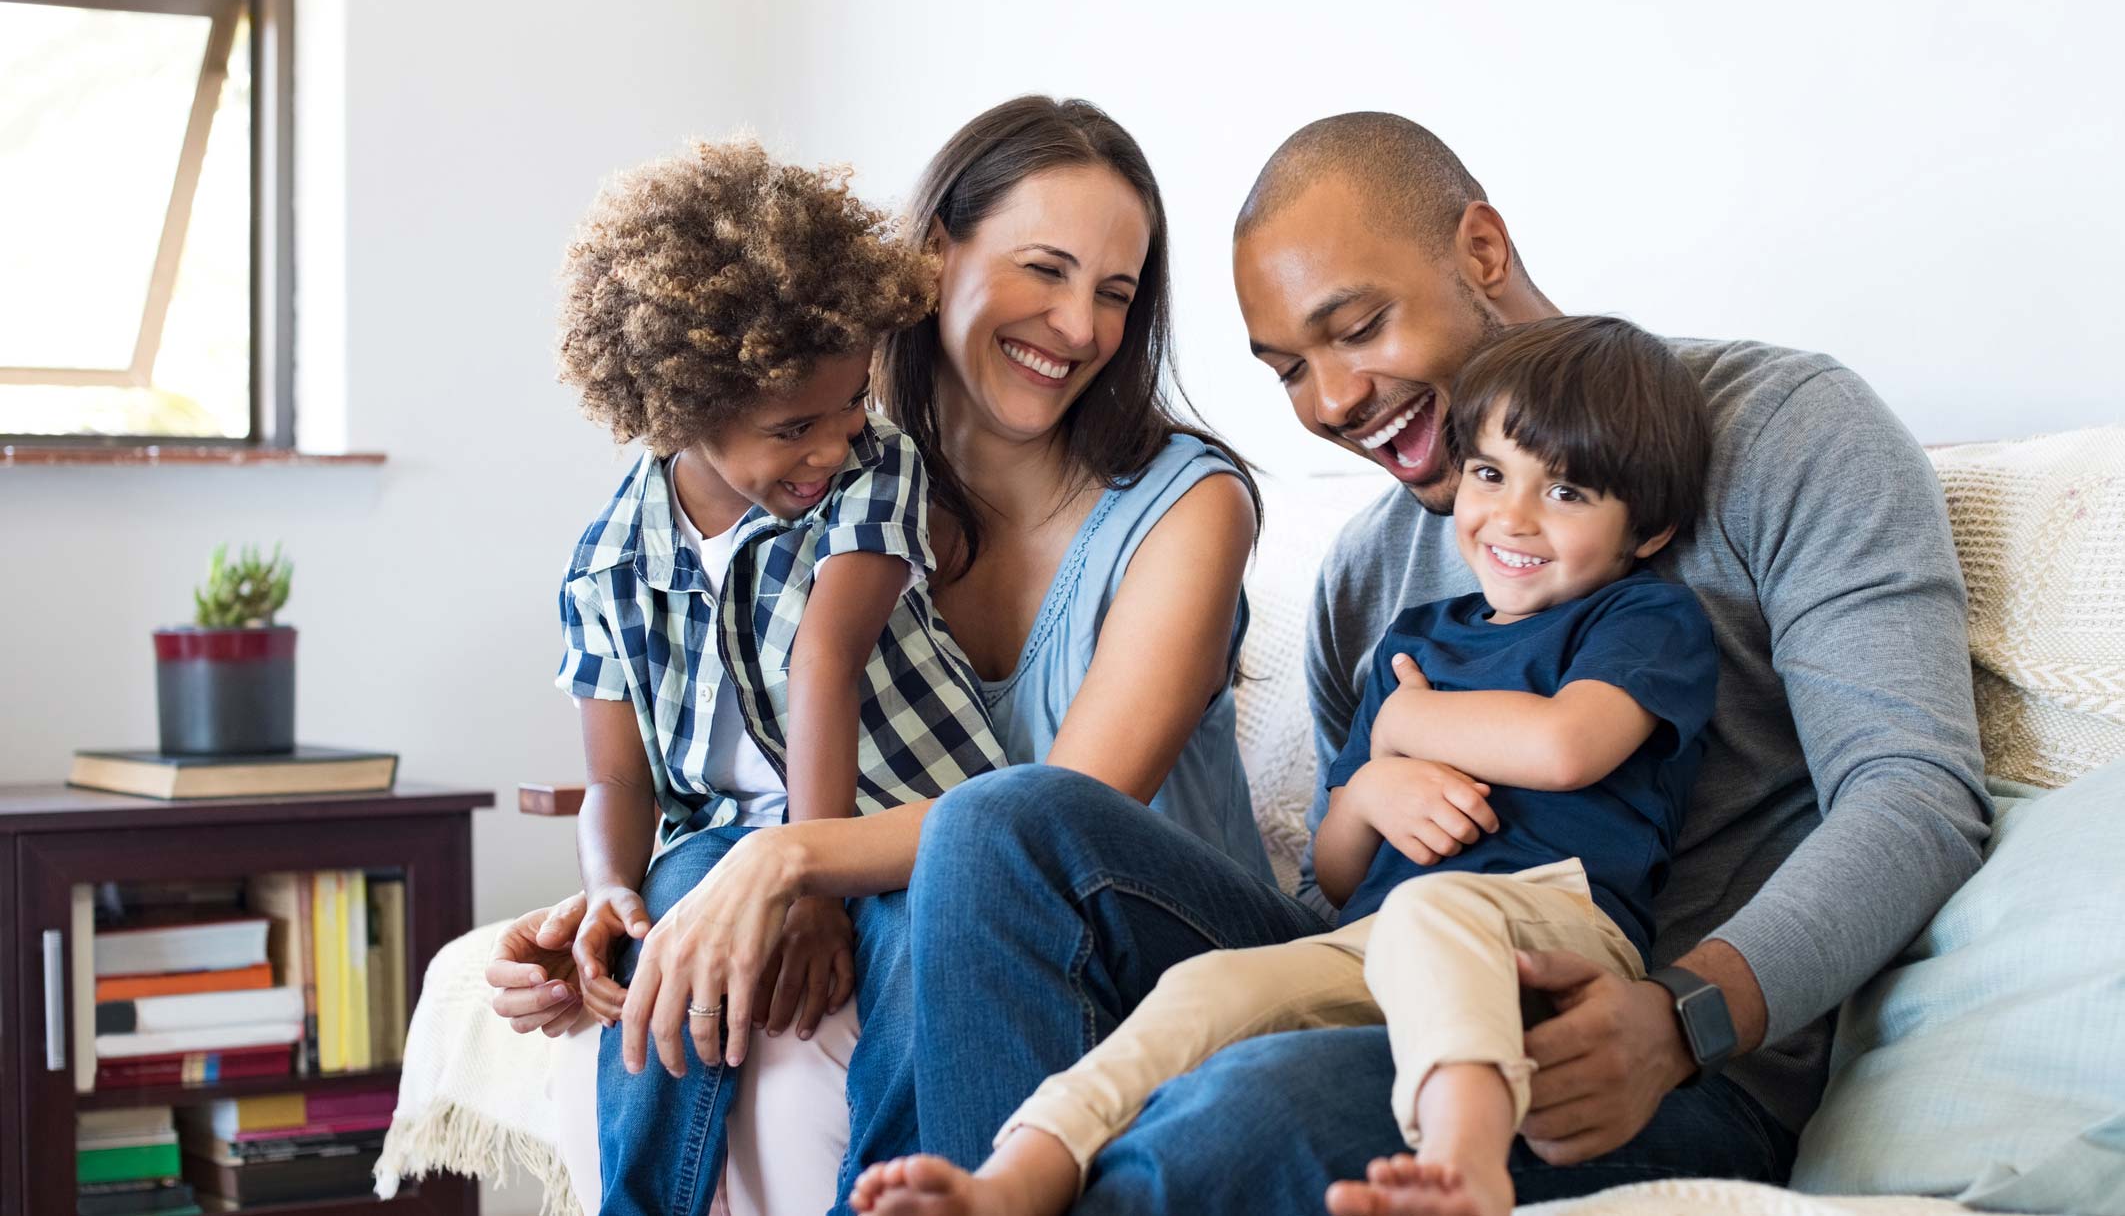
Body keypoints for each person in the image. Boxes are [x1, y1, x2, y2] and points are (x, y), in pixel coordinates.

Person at [897, 111, 1990, 1211]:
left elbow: (1914, 795)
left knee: (1239, 1111)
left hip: (1643, 1055)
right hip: (1392, 974)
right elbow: (1343, 882)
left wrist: (1684, 1015)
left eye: (1358, 327)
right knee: (997, 824)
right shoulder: (1367, 571)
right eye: (1287, 370)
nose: (1330, 403)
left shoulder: (1786, 432)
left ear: (1479, 251)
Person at [485, 96, 1290, 1214]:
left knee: (960, 871)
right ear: (929, 258)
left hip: (1149, 938)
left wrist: (789, 860)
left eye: (1114, 292)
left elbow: (1060, 817)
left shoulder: (1185, 509)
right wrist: (621, 905)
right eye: (1044, 271)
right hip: (941, 904)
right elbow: (710, 749)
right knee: (705, 928)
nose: (1078, 326)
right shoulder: (830, 486)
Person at [852, 315, 1719, 1216]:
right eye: (1490, 473)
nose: (1511, 517)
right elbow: (1338, 871)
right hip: (1373, 941)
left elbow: (1564, 745)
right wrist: (1374, 782)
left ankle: (1466, 1166)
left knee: (1434, 907)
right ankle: (1018, 1174)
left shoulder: (1641, 620)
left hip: (1555, 931)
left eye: (1567, 492)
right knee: (1209, 986)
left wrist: (1407, 722)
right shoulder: (1416, 638)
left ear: (1647, 529)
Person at [547, 137, 1013, 1216]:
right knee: (669, 931)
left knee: (917, 952)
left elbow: (824, 658)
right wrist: (611, 888)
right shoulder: (608, 562)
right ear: (679, 408)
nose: (831, 442)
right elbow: (618, 781)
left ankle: (892, 1198)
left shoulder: (872, 468)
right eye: (792, 427)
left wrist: (809, 878)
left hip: (907, 818)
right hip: (721, 838)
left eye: (849, 401)